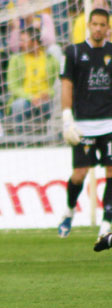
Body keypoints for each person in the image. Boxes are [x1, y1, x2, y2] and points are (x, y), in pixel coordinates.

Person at [57, 8, 112, 240]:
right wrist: (67, 116)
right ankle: (69, 210)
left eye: (103, 25)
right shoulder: (74, 51)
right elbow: (67, 84)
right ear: (89, 25)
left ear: (108, 28)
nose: (99, 28)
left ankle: (107, 223)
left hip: (109, 123)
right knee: (79, 174)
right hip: (84, 124)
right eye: (95, 24)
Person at [6, 27, 59, 135]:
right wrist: (31, 97)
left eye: (24, 41)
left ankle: (53, 138)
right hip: (25, 99)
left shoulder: (50, 59)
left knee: (57, 105)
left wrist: (48, 94)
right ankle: (20, 140)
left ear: (34, 42)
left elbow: (57, 84)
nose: (20, 44)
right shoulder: (16, 59)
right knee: (18, 106)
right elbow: (13, 86)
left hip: (45, 100)